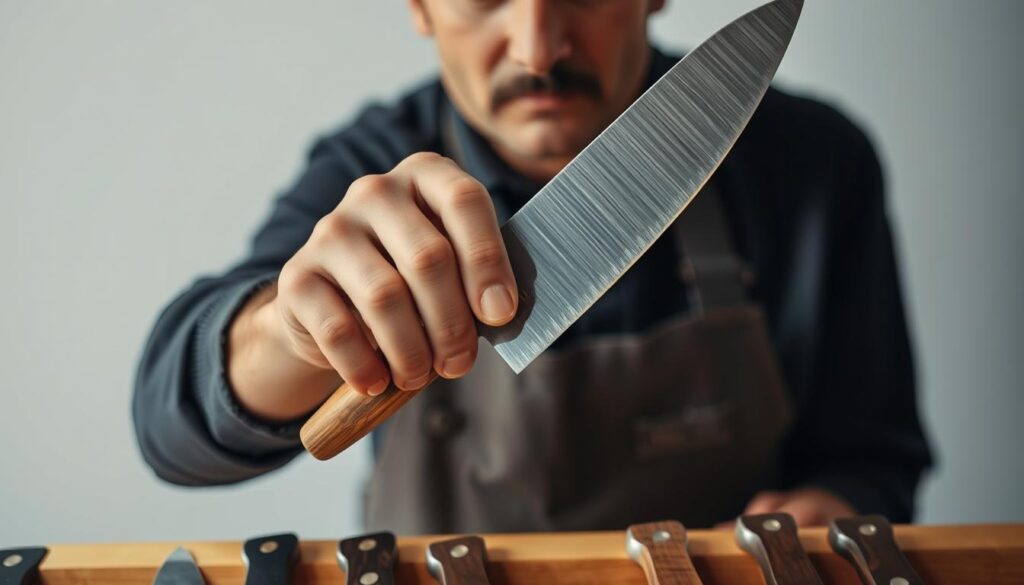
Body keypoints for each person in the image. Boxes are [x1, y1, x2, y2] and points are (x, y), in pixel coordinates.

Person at [133, 0, 931, 533]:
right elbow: (172, 427)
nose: (539, 48)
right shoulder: (368, 171)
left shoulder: (811, 164)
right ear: (418, 5)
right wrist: (294, 335)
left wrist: (838, 513)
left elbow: (873, 457)